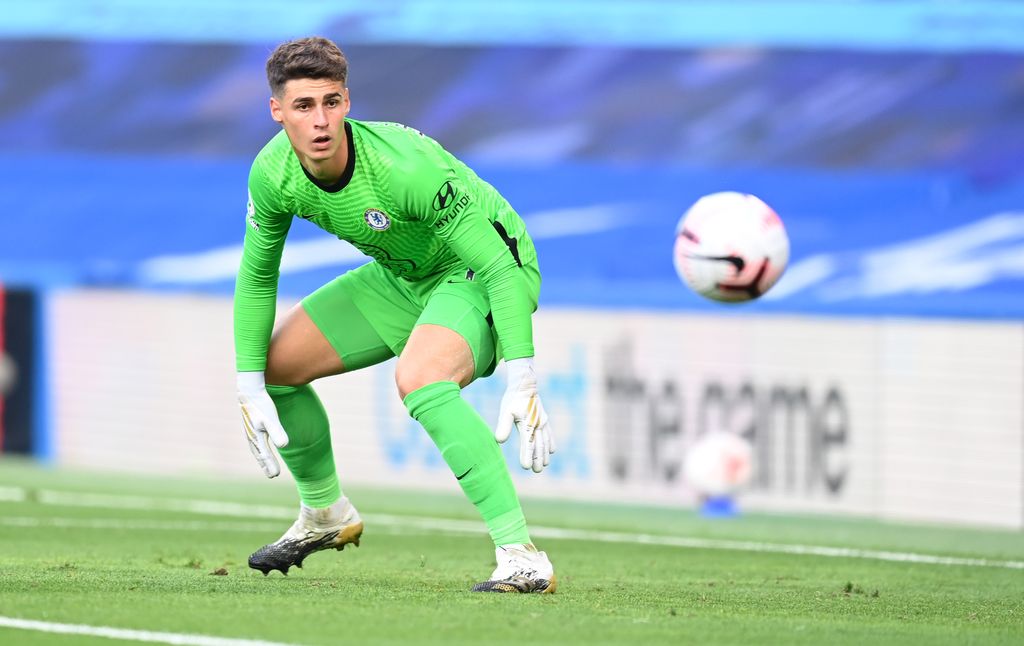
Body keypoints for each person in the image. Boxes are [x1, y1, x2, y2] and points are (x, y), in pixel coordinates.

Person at [234, 36, 557, 594]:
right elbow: (258, 276)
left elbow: (500, 268)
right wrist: (245, 383)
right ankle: (325, 514)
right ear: (277, 111)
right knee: (276, 367)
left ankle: (520, 555)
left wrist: (521, 374)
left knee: (420, 378)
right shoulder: (272, 174)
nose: (320, 121)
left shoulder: (404, 169)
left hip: (479, 272)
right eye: (304, 106)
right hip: (403, 276)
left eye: (331, 102)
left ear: (348, 102)